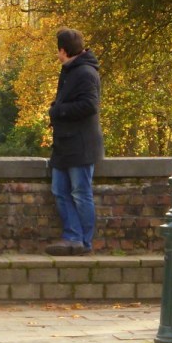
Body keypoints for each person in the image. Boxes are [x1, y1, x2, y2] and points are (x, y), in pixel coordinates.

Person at [45, 28, 104, 256]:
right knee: (59, 190)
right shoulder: (70, 71)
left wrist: (58, 111)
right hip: (65, 145)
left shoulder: (85, 73)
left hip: (81, 145)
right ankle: (72, 236)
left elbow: (90, 106)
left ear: (63, 50)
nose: (57, 55)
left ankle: (83, 241)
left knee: (80, 193)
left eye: (58, 51)